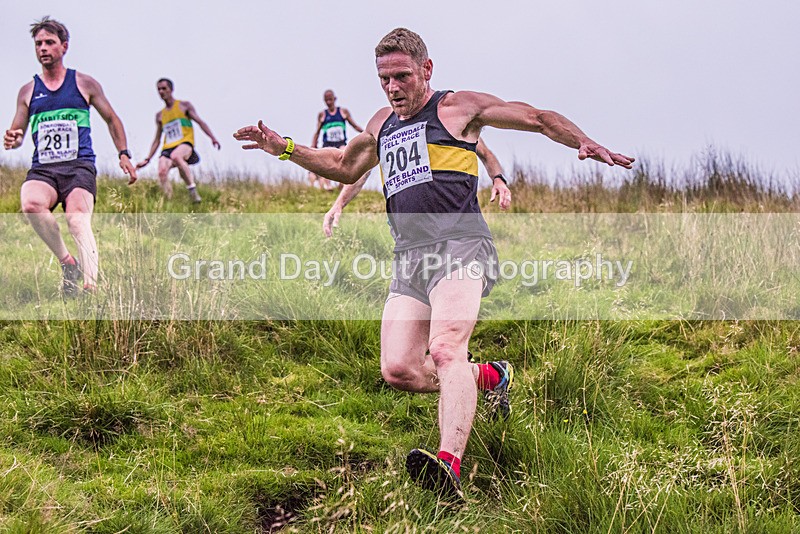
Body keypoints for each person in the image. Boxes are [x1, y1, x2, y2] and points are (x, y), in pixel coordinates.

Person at [234, 27, 634, 500]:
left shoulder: (458, 109)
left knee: (446, 350)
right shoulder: (382, 123)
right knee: (399, 369)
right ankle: (491, 377)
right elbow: (343, 165)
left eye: (402, 76)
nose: (393, 87)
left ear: (426, 70)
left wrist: (582, 140)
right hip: (410, 258)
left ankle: (449, 466)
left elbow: (537, 116)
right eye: (384, 79)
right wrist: (282, 147)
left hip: (461, 245)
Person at [3, 16, 137, 295]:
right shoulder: (28, 92)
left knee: (77, 219)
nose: (43, 48)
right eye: (38, 43)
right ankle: (68, 262)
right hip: (44, 169)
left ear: (64, 46)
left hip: (78, 166)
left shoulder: (84, 84)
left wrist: (123, 154)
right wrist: (13, 139)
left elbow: (112, 119)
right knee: (30, 204)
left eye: (49, 42)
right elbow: (16, 133)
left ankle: (90, 288)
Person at [322, 137, 511, 237]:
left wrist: (498, 179)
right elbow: (362, 171)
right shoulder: (389, 128)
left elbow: (485, 153)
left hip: (454, 232)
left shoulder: (452, 121)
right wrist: (339, 203)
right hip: (408, 237)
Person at [136, 78, 220, 203]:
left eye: (164, 88)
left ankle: (193, 191)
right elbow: (157, 139)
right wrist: (147, 159)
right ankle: (169, 202)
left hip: (184, 143)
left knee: (176, 156)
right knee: (161, 171)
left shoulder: (184, 106)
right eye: (159, 89)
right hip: (167, 147)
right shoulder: (160, 115)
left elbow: (200, 122)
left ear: (171, 89)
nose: (161, 92)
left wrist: (212, 138)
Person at [308, 89, 370, 191]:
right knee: (325, 164)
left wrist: (367, 133)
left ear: (334, 99)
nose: (328, 102)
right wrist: (313, 145)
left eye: (330, 100)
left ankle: (342, 184)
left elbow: (354, 125)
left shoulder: (343, 112)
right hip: (327, 143)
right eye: (326, 100)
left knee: (346, 158)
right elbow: (317, 131)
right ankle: (328, 186)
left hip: (341, 143)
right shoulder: (322, 115)